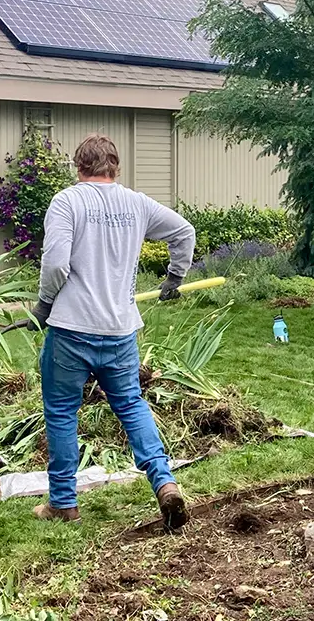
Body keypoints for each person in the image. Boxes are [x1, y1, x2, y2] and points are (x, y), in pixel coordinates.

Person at [29, 133, 197, 529]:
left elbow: (55, 264)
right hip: (120, 331)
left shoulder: (67, 201)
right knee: (131, 405)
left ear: (79, 167)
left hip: (71, 330)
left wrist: (44, 304)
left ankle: (64, 503)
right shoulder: (136, 203)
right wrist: (175, 276)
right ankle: (165, 482)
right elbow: (183, 232)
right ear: (115, 167)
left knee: (62, 412)